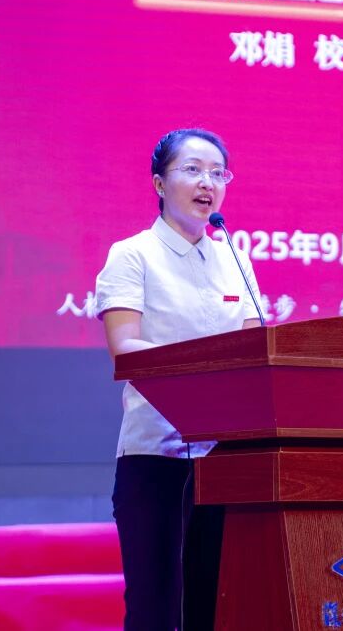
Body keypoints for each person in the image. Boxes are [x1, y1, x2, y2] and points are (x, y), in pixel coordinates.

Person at [95, 128, 263, 631]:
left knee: (217, 608)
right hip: (155, 457)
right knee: (156, 608)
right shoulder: (133, 254)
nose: (207, 182)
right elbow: (125, 348)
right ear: (159, 183)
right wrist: (205, 367)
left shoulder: (236, 259)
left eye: (217, 173)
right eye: (192, 169)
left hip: (226, 460)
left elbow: (255, 350)